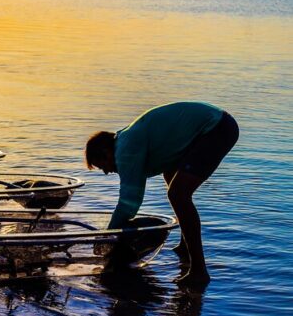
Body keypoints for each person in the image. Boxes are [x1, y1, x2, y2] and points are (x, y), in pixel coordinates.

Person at [85, 102, 239, 286]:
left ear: (106, 151)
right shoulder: (126, 141)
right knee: (172, 179)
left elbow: (129, 202)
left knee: (178, 195)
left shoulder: (125, 150)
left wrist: (109, 236)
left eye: (102, 166)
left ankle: (199, 271)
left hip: (216, 128)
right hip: (212, 125)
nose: (106, 172)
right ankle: (185, 247)